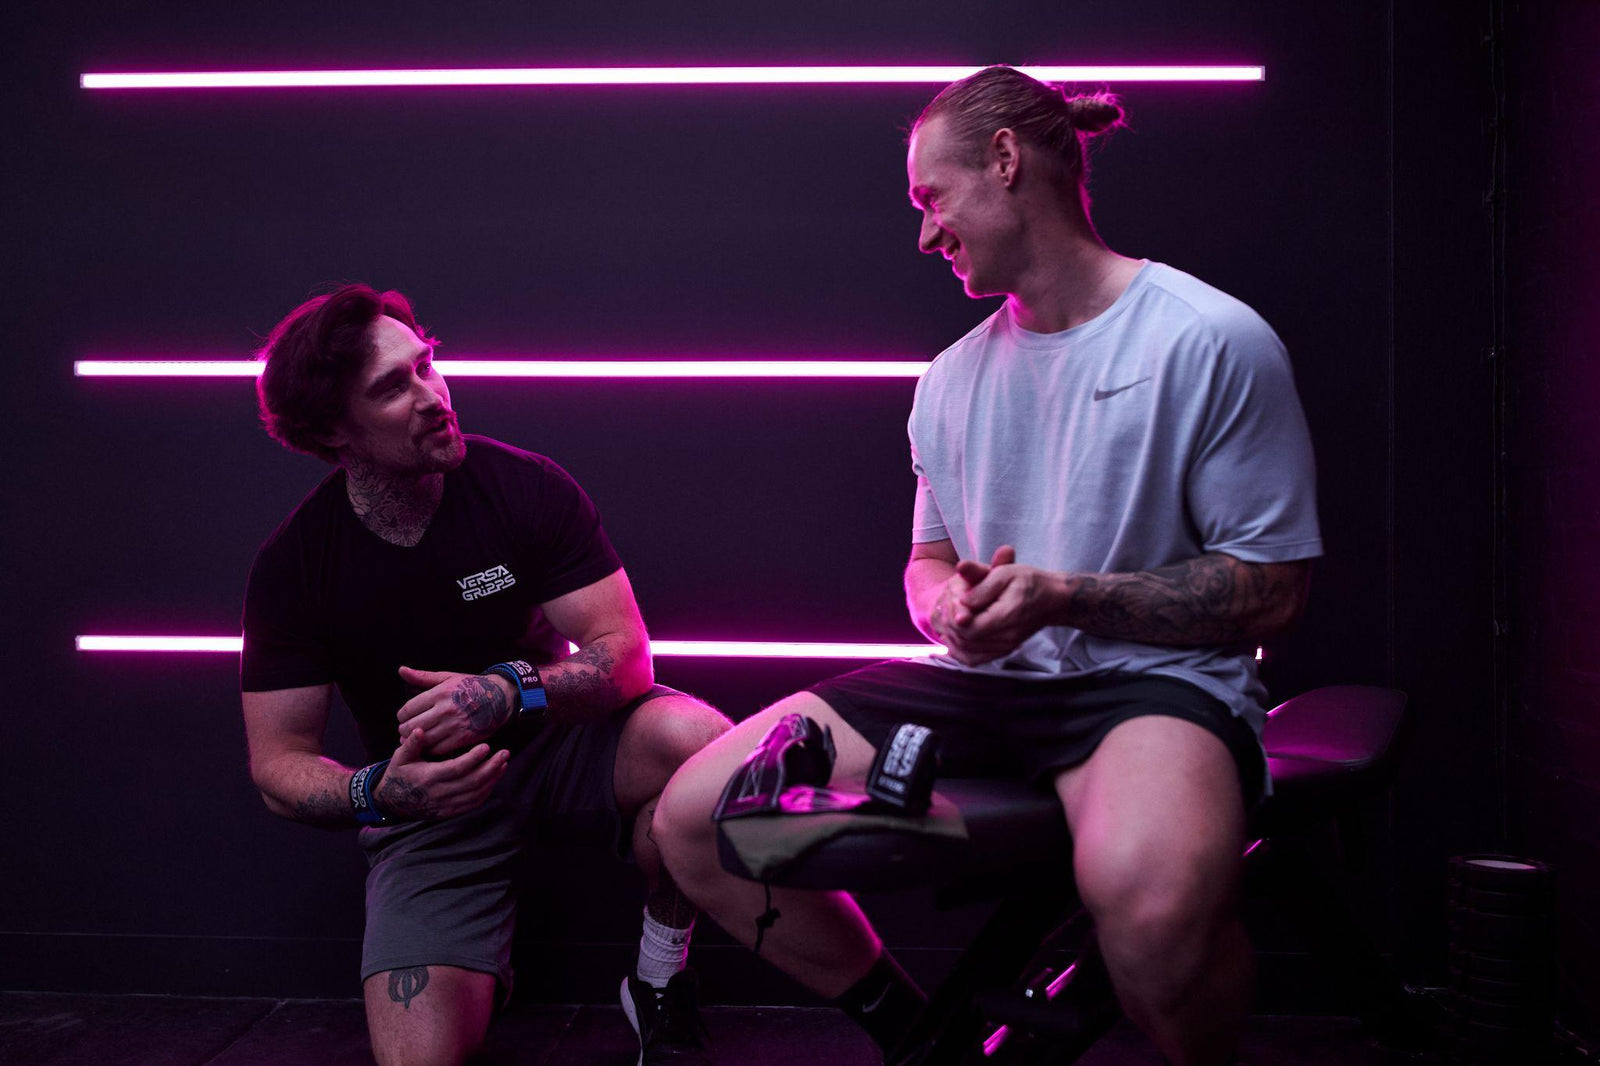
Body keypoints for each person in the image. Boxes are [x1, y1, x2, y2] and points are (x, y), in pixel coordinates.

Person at [654, 66, 1321, 1066]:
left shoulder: (1207, 339)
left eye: (933, 199)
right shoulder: (952, 378)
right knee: (694, 817)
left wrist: (1065, 596)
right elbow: (929, 563)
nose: (925, 234)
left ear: (1005, 162)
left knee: (1147, 917)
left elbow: (1272, 592)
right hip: (985, 688)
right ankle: (914, 1036)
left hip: (1150, 688)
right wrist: (948, 609)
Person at [240, 284, 731, 1066]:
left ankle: (659, 979)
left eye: (427, 366)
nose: (433, 396)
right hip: (432, 801)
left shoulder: (522, 487)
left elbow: (627, 655)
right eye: (393, 388)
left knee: (701, 743)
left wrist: (508, 688)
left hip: (562, 744)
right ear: (335, 432)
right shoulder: (296, 565)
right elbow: (277, 766)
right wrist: (382, 793)